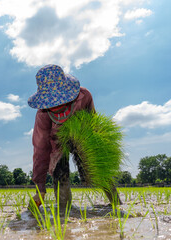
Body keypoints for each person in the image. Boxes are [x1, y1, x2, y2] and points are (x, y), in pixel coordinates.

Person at [28, 64, 122, 209]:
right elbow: (40, 151)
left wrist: (99, 150)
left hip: (83, 138)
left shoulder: (84, 97)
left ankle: (116, 203)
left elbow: (93, 123)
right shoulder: (43, 116)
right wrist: (39, 188)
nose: (57, 106)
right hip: (57, 144)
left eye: (61, 101)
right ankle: (64, 210)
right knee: (60, 174)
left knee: (98, 165)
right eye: (52, 104)